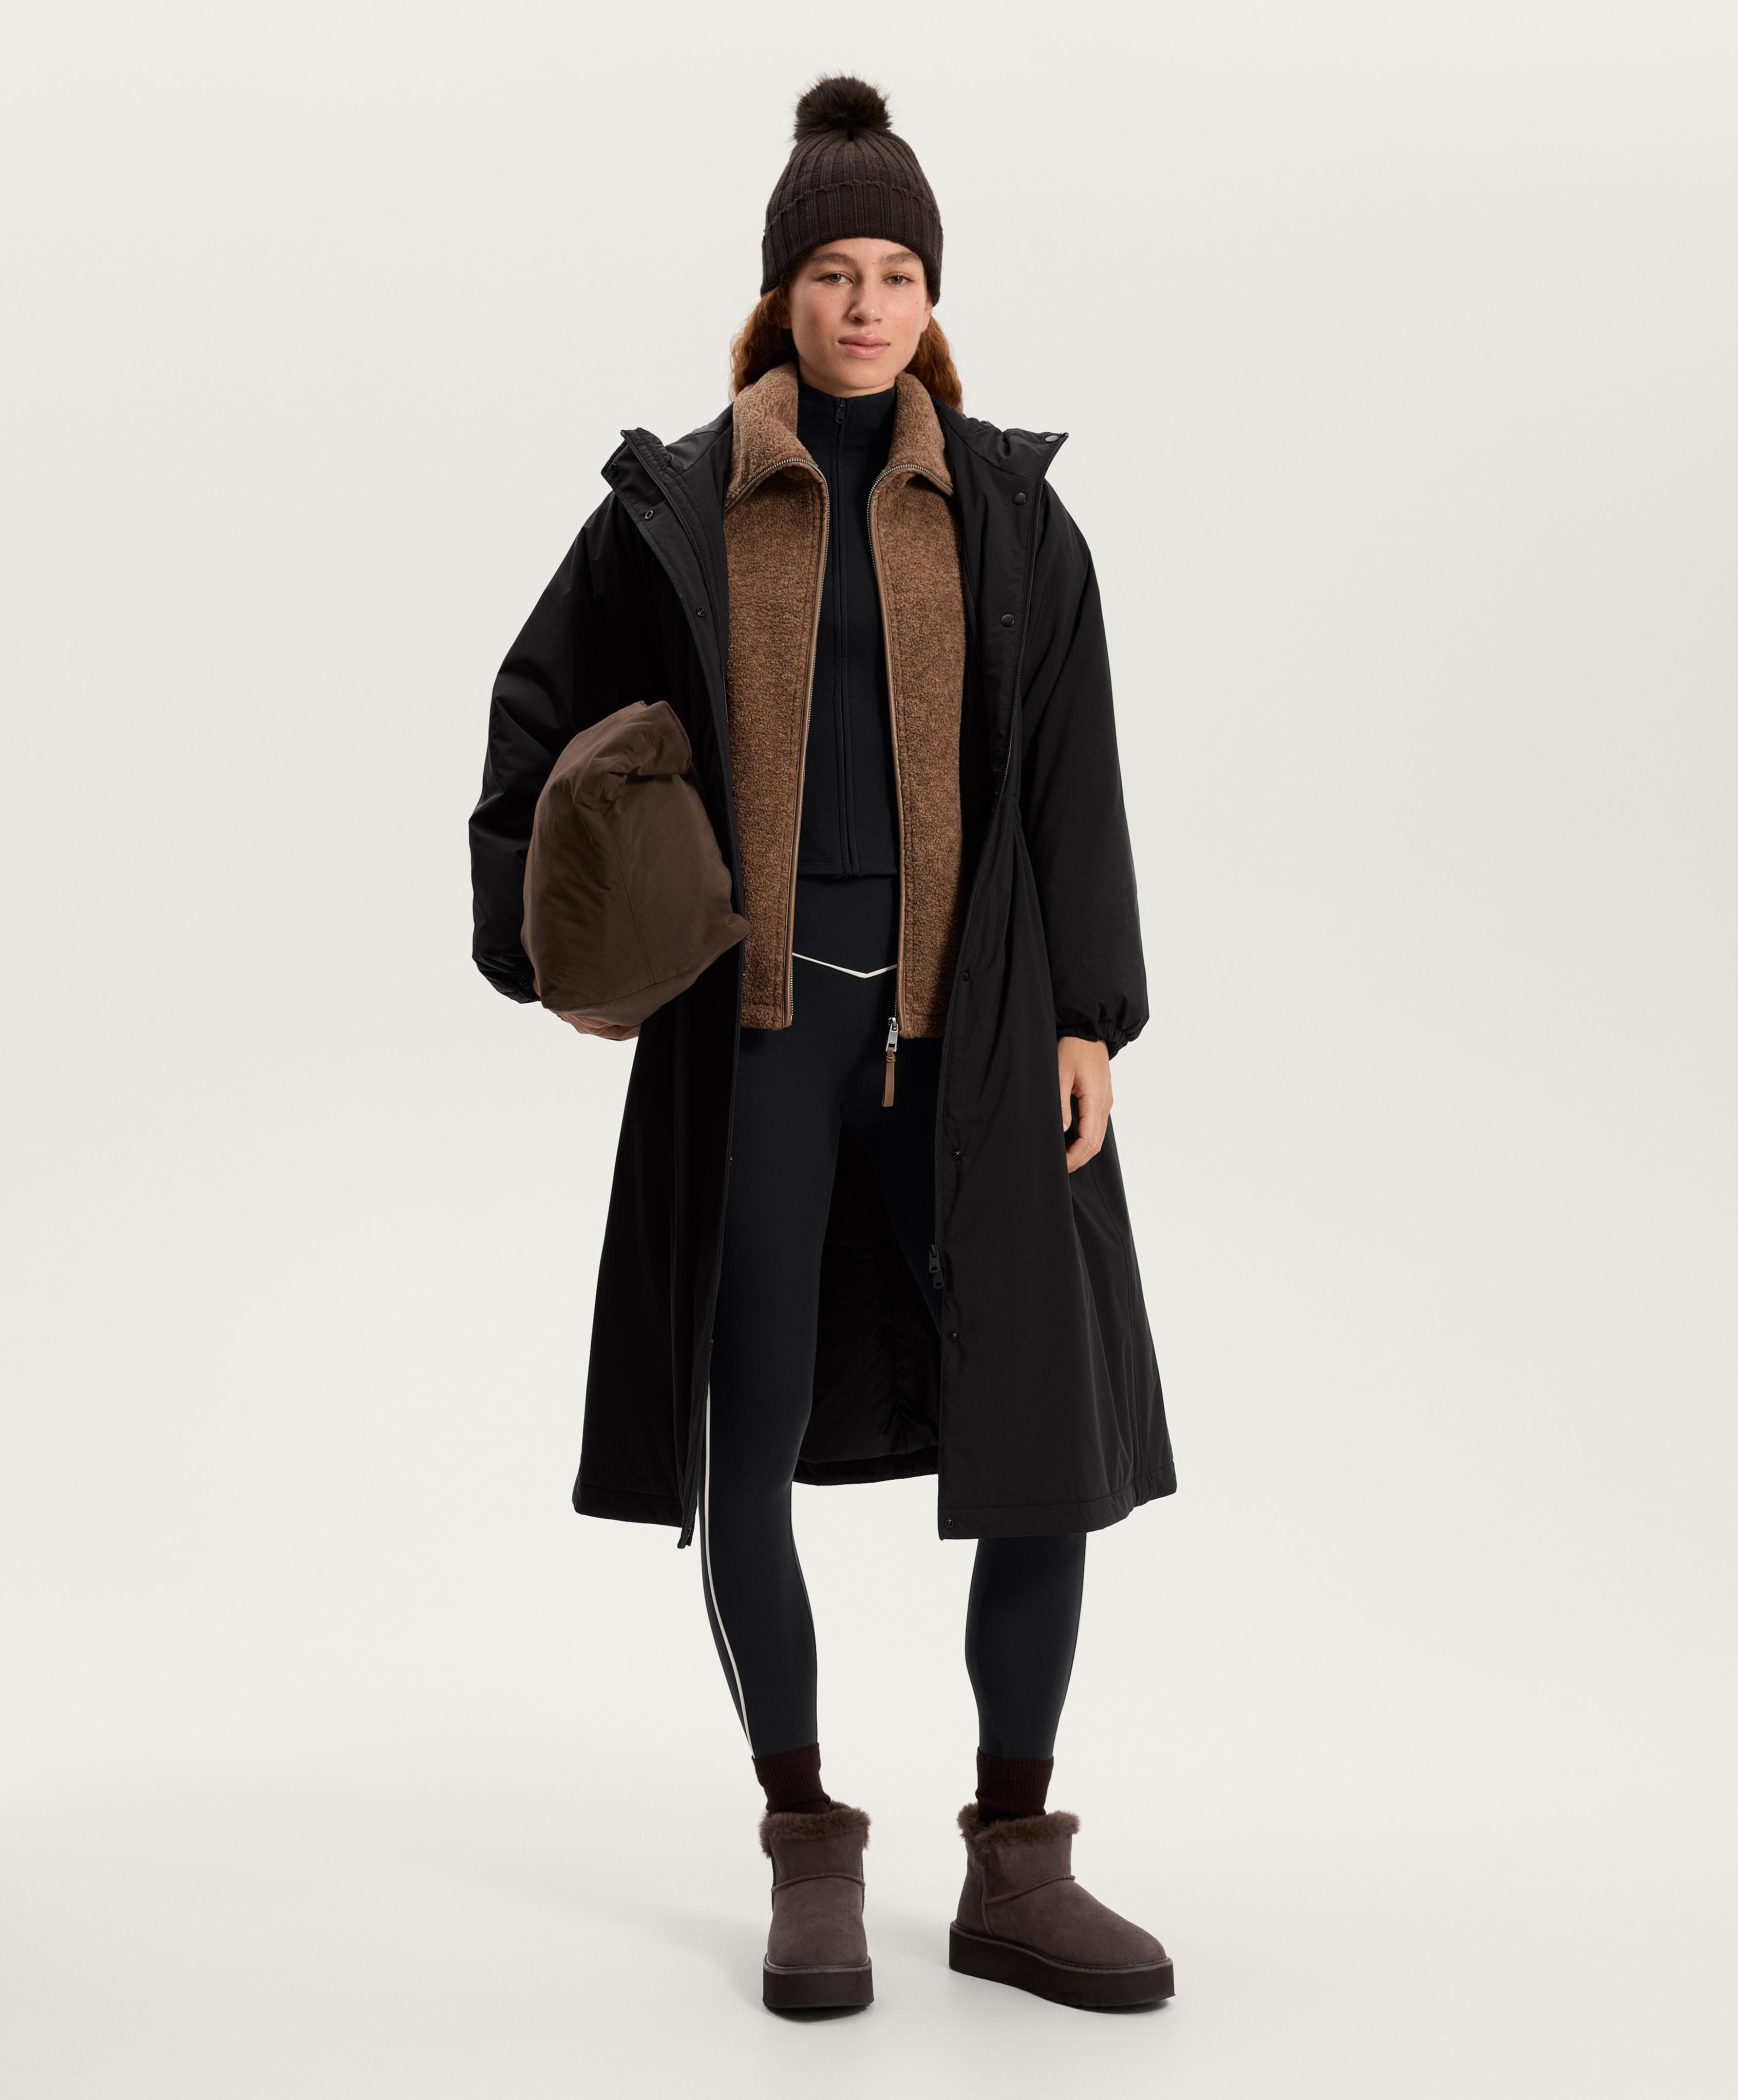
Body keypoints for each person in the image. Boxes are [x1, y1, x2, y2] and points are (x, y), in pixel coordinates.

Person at [469, 75, 1177, 2014]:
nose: (867, 306)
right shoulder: (681, 508)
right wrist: (554, 949)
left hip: (978, 1039)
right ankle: (806, 1840)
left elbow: (1072, 773)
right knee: (746, 1439)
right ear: (780, 292)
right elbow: (535, 720)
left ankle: (1017, 1859)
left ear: (933, 297)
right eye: (834, 272)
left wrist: (1092, 1013)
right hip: (760, 1039)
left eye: (898, 273)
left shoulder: (1010, 513)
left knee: (1045, 1440)